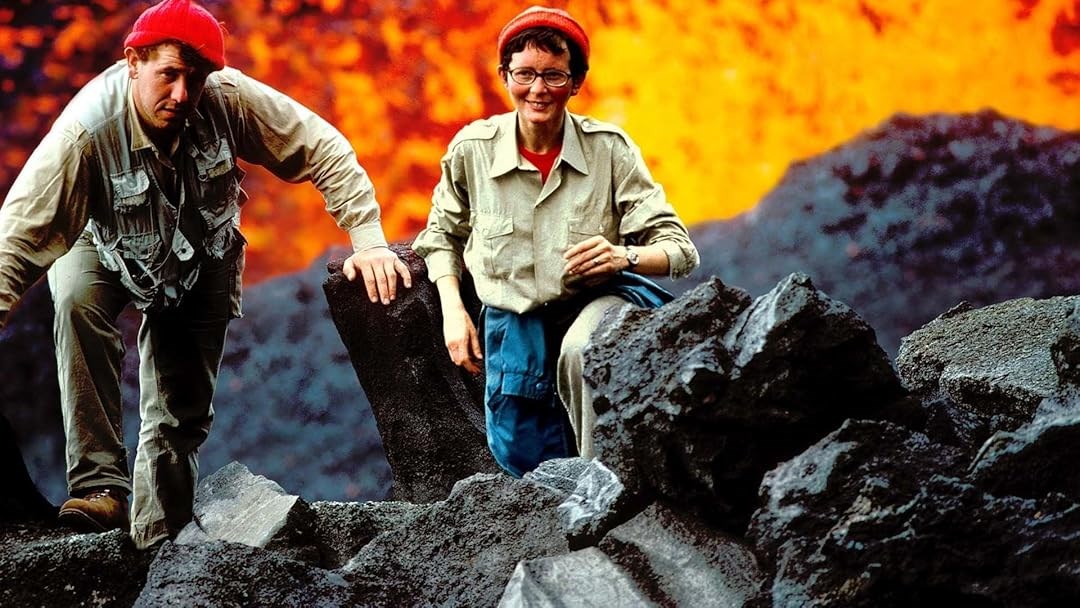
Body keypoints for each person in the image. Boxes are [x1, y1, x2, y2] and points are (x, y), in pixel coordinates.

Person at [0, 0, 411, 549]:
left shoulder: (228, 98)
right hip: (102, 243)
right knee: (75, 300)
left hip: (202, 253)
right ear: (134, 62)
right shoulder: (85, 131)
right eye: (169, 74)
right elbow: (18, 236)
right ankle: (98, 488)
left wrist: (369, 240)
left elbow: (323, 147)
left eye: (195, 79)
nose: (182, 94)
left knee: (179, 414)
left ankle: (153, 545)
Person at [412, 6, 699, 477]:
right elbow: (441, 234)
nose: (538, 89)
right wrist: (453, 311)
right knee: (524, 455)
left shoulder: (609, 149)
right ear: (505, 76)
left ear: (576, 82)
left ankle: (604, 491)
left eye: (553, 75)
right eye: (524, 74)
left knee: (582, 351)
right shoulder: (472, 151)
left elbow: (680, 250)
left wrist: (621, 255)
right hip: (515, 320)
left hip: (594, 301)